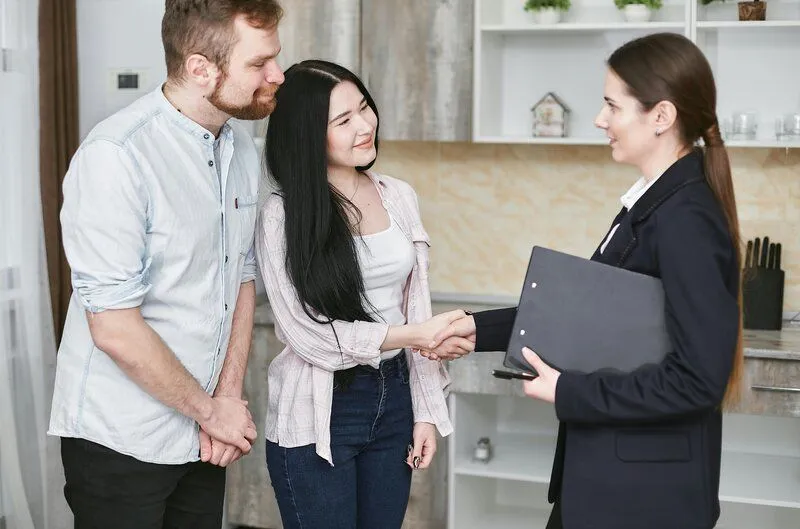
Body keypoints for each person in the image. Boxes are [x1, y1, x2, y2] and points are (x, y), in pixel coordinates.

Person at [429, 33, 743, 529]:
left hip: (646, 498)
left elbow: (698, 381)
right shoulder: (650, 204)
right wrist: (476, 330)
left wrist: (569, 391)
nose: (600, 120)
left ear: (660, 116)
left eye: (611, 106)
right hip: (611, 484)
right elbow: (591, 319)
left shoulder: (686, 219)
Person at [47, 1, 285, 527]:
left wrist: (224, 399)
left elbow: (240, 276)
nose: (277, 75)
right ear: (201, 68)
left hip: (203, 433)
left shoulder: (241, 146)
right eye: (259, 63)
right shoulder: (117, 155)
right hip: (122, 438)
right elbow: (112, 327)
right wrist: (210, 410)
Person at [255, 59, 469, 529]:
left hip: (395, 398)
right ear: (308, 135)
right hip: (319, 409)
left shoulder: (398, 195)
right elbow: (308, 336)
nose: (365, 125)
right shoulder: (282, 215)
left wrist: (426, 412)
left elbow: (417, 304)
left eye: (365, 108)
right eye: (343, 120)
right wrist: (415, 334)